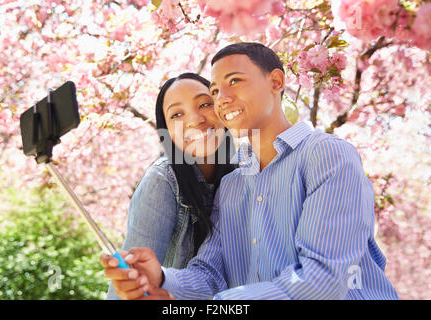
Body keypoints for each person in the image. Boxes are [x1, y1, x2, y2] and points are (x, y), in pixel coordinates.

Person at [102, 43, 399, 300]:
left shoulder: (327, 155)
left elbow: (321, 278)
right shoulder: (232, 185)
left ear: (276, 81)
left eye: (235, 81)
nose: (223, 98)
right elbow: (209, 273)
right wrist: (165, 280)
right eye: (216, 90)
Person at [100, 73, 236, 300]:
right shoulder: (163, 181)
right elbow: (130, 283)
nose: (194, 120)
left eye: (204, 104)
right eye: (177, 114)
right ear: (168, 133)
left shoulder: (243, 173)